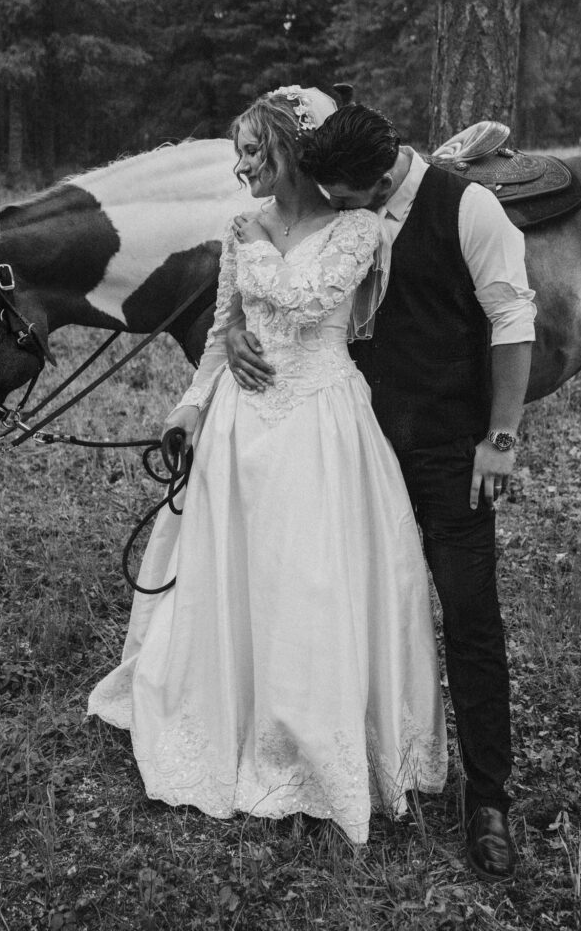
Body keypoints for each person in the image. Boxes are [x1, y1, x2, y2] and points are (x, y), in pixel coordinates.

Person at [88, 87, 448, 844]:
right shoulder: (238, 229)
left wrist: (262, 291)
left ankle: (314, 742)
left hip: (322, 423)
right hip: (241, 429)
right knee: (238, 576)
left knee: (313, 579)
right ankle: (231, 717)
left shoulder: (357, 229)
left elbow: (311, 301)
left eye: (252, 151)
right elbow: (223, 333)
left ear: (286, 152)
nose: (240, 166)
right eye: (236, 153)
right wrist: (191, 403)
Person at [227, 103, 536, 880]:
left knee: (468, 615)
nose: (335, 211)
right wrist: (235, 331)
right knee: (353, 605)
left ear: (383, 171)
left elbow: (511, 319)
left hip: (446, 454)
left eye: (345, 197)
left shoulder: (467, 209)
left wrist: (499, 440)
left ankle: (488, 798)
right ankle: (356, 751)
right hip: (353, 446)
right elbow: (283, 291)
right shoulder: (340, 202)